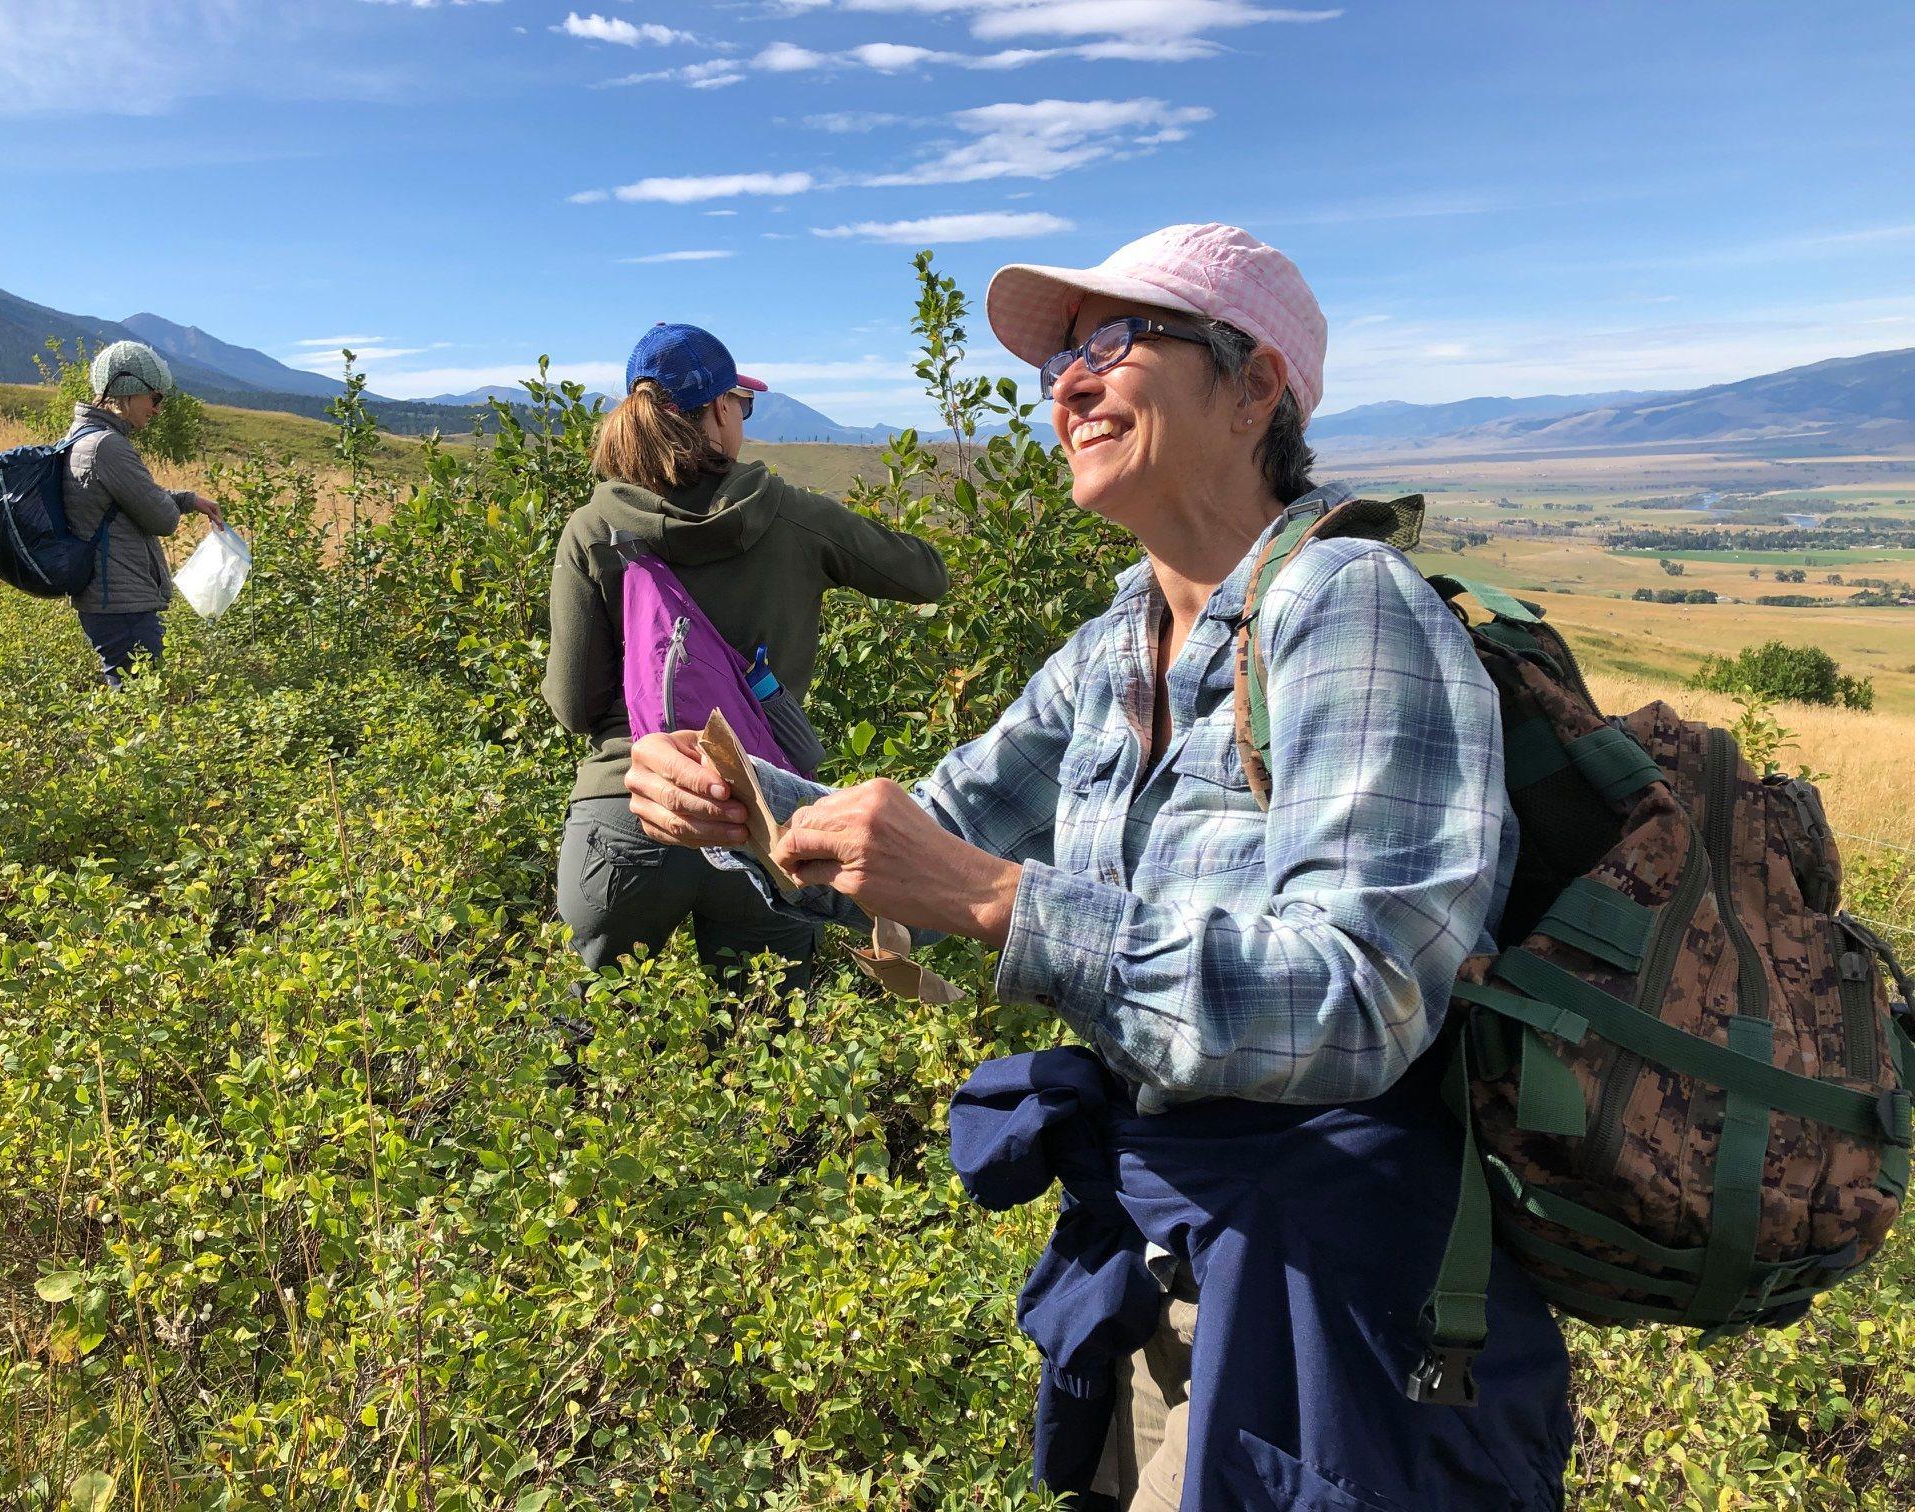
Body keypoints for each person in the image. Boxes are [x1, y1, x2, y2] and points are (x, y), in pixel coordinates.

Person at [624, 226, 1572, 1510]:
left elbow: (1365, 998)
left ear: (1255, 391)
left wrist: (997, 902)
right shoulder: (1115, 642)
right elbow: (942, 816)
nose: (1068, 381)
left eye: (1118, 340)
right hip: (1171, 1251)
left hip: (1339, 1297)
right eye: (1063, 352)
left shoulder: (1347, 604)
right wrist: (739, 799)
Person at [543, 322, 949, 992]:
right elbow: (926, 577)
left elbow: (574, 706)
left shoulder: (593, 529)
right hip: (763, 815)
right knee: (770, 1038)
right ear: (720, 411)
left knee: (588, 1043)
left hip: (629, 811)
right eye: (744, 406)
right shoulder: (789, 514)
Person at [63, 341, 225, 686]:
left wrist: (186, 499)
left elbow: (121, 500)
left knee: (129, 699)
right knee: (138, 707)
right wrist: (173, 505)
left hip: (109, 599)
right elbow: (161, 520)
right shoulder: (108, 446)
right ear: (128, 391)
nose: (157, 410)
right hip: (122, 604)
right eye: (155, 398)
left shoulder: (84, 437)